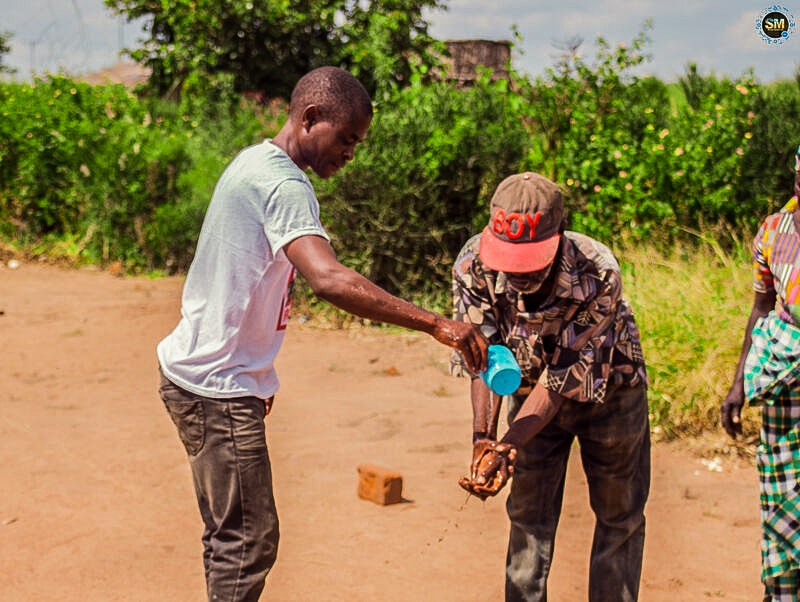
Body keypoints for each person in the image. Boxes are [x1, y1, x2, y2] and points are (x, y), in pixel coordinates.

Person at [156, 66, 488, 602]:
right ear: (311, 119)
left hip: (209, 376)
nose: (352, 152)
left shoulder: (254, 161)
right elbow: (329, 279)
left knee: (232, 536)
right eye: (348, 138)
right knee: (246, 542)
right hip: (217, 386)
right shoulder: (285, 184)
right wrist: (438, 324)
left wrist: (257, 378)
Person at [450, 172, 650, 602]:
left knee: (619, 516)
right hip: (526, 395)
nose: (517, 274)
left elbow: (559, 381)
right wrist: (484, 440)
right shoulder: (473, 265)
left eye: (530, 260)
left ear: (559, 236)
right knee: (528, 514)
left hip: (612, 392)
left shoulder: (598, 270)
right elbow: (481, 356)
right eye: (507, 258)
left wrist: (507, 443)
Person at [721, 146, 800, 601]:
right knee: (783, 496)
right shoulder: (773, 232)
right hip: (784, 387)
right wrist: (738, 384)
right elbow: (761, 310)